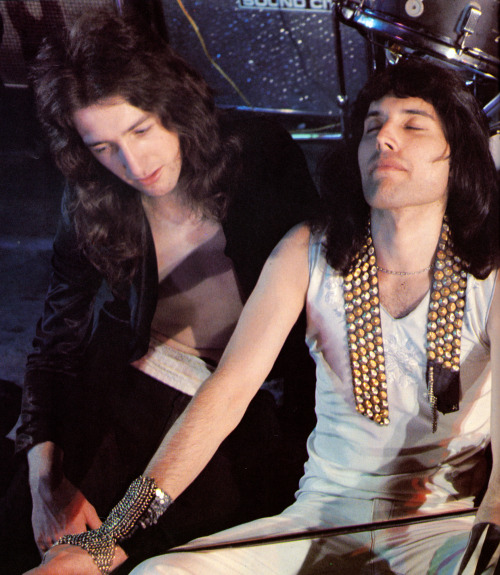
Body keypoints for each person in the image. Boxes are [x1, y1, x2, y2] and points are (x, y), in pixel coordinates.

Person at [26, 58, 500, 575]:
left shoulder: (491, 271)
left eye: (412, 124)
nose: (386, 137)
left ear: (459, 156)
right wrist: (110, 537)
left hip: (441, 531)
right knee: (159, 571)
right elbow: (225, 393)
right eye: (373, 126)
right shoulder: (307, 250)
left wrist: (491, 534)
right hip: (319, 514)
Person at [1, 8, 319, 575]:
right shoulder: (91, 198)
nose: (132, 163)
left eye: (140, 130)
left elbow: (322, 284)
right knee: (29, 543)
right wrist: (43, 481)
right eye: (102, 147)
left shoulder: (259, 155)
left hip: (232, 401)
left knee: (144, 558)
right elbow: (55, 344)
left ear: (172, 107)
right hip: (120, 381)